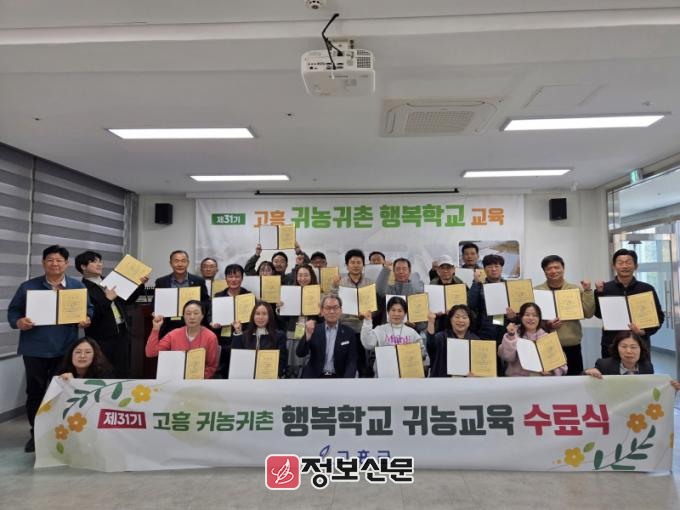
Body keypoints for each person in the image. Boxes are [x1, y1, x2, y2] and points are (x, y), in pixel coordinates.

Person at [7, 245, 93, 453]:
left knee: (63, 391)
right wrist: (19, 322)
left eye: (59, 260)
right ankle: (36, 434)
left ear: (67, 264)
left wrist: (86, 318)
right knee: (35, 392)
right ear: (43, 263)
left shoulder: (76, 287)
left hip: (65, 348)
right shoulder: (28, 287)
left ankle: (61, 432)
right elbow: (13, 311)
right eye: (50, 260)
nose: (55, 264)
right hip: (34, 348)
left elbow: (88, 308)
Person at [75, 250, 148, 377]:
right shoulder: (81, 288)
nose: (99, 264)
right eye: (94, 262)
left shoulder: (109, 281)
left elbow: (127, 300)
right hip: (101, 338)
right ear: (83, 266)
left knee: (123, 371)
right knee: (105, 373)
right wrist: (107, 299)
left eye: (100, 261)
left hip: (122, 332)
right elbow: (91, 315)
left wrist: (140, 285)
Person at [594, 248, 664, 358]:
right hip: (611, 344)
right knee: (610, 369)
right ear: (614, 266)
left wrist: (644, 332)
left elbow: (659, 316)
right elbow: (598, 314)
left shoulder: (646, 289)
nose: (624, 266)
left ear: (636, 266)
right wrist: (599, 293)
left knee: (642, 369)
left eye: (628, 262)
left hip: (639, 344)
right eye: (620, 263)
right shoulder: (605, 288)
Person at [534, 255, 595, 375]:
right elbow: (532, 318)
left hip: (571, 345)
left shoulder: (574, 289)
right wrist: (546, 325)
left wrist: (588, 291)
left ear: (563, 268)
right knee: (548, 381)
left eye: (557, 267)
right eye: (549, 268)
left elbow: (588, 313)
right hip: (546, 345)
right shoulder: (537, 291)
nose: (553, 271)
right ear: (544, 271)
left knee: (574, 379)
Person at [146, 300, 219, 379]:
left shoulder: (210, 337)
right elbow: (151, 352)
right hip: (175, 379)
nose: (192, 317)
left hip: (199, 381)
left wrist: (196, 379)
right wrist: (156, 328)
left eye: (196, 313)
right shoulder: (173, 334)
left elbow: (211, 367)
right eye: (188, 313)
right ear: (183, 316)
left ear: (202, 316)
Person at [331, 249, 374, 376]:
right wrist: (334, 287)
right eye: (352, 262)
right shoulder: (340, 282)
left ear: (363, 265)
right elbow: (333, 303)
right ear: (347, 265)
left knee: (363, 365)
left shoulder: (369, 283)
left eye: (359, 262)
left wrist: (366, 314)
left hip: (362, 328)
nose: (356, 265)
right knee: (344, 364)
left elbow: (373, 307)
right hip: (344, 327)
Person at [468, 254, 512, 375]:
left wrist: (513, 316)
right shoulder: (479, 285)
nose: (493, 269)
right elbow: (470, 304)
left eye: (497, 266)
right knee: (487, 368)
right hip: (483, 332)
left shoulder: (509, 287)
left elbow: (519, 310)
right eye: (489, 266)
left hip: (505, 331)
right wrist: (476, 282)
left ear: (501, 268)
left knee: (505, 368)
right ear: (484, 269)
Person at [498, 302, 568, 377]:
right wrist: (511, 336)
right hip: (517, 379)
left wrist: (551, 371)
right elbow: (507, 357)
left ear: (539, 319)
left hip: (540, 380)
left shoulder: (547, 337)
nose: (531, 318)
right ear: (521, 317)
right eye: (527, 315)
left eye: (535, 315)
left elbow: (562, 365)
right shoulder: (513, 334)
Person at [360, 297, 424, 376]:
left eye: (400, 311)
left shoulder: (412, 333)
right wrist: (367, 322)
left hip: (406, 377)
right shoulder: (380, 330)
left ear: (405, 313)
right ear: (388, 312)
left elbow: (422, 353)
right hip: (383, 376)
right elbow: (368, 344)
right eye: (393, 310)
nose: (396, 314)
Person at [297, 295, 357, 378]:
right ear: (321, 311)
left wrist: (346, 381)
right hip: (315, 377)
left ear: (341, 310)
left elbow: (352, 361)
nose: (332, 311)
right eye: (328, 308)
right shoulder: (314, 330)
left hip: (339, 377)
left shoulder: (349, 333)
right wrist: (308, 335)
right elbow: (300, 353)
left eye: (335, 307)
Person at [153, 250, 210, 338]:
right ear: (170, 263)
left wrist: (196, 308)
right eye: (176, 261)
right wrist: (155, 312)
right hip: (168, 326)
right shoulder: (161, 282)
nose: (180, 264)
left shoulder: (198, 281)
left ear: (188, 263)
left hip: (192, 324)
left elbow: (206, 301)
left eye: (183, 261)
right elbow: (155, 302)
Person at [210, 264, 252, 378]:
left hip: (243, 339)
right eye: (230, 276)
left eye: (237, 276)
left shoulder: (248, 296)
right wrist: (212, 323)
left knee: (242, 372)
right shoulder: (218, 296)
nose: (233, 280)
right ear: (226, 278)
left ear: (242, 278)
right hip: (223, 340)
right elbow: (210, 315)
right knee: (223, 372)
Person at [281, 264, 319, 378]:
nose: (303, 278)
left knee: (309, 367)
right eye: (300, 275)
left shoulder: (318, 293)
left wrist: (320, 313)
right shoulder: (289, 293)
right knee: (292, 369)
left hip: (312, 335)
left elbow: (322, 320)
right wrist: (280, 309)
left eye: (306, 275)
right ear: (296, 277)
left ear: (311, 276)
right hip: (293, 335)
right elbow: (283, 320)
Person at [232, 301, 288, 378]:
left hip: (269, 378)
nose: (260, 317)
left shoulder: (279, 336)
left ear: (270, 316)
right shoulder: (245, 335)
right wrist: (238, 332)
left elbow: (282, 361)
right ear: (253, 316)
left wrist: (276, 374)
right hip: (247, 377)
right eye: (257, 314)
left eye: (264, 314)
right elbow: (236, 357)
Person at [426, 305, 480, 377]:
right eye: (457, 317)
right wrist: (431, 322)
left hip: (466, 381)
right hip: (442, 380)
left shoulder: (475, 340)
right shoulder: (441, 337)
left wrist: (476, 375)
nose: (460, 320)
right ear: (450, 319)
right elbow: (431, 344)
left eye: (464, 317)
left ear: (470, 321)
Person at [376, 257, 426, 332]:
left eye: (404, 269)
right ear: (393, 271)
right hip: (388, 332)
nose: (401, 272)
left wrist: (415, 326)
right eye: (398, 269)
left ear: (409, 271)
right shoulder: (389, 289)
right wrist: (386, 270)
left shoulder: (417, 292)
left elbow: (421, 323)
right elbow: (380, 290)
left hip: (408, 333)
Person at [584, 331, 654, 376]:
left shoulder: (647, 367)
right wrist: (587, 372)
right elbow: (582, 378)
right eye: (623, 346)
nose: (628, 351)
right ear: (616, 348)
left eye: (633, 347)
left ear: (641, 349)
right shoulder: (604, 365)